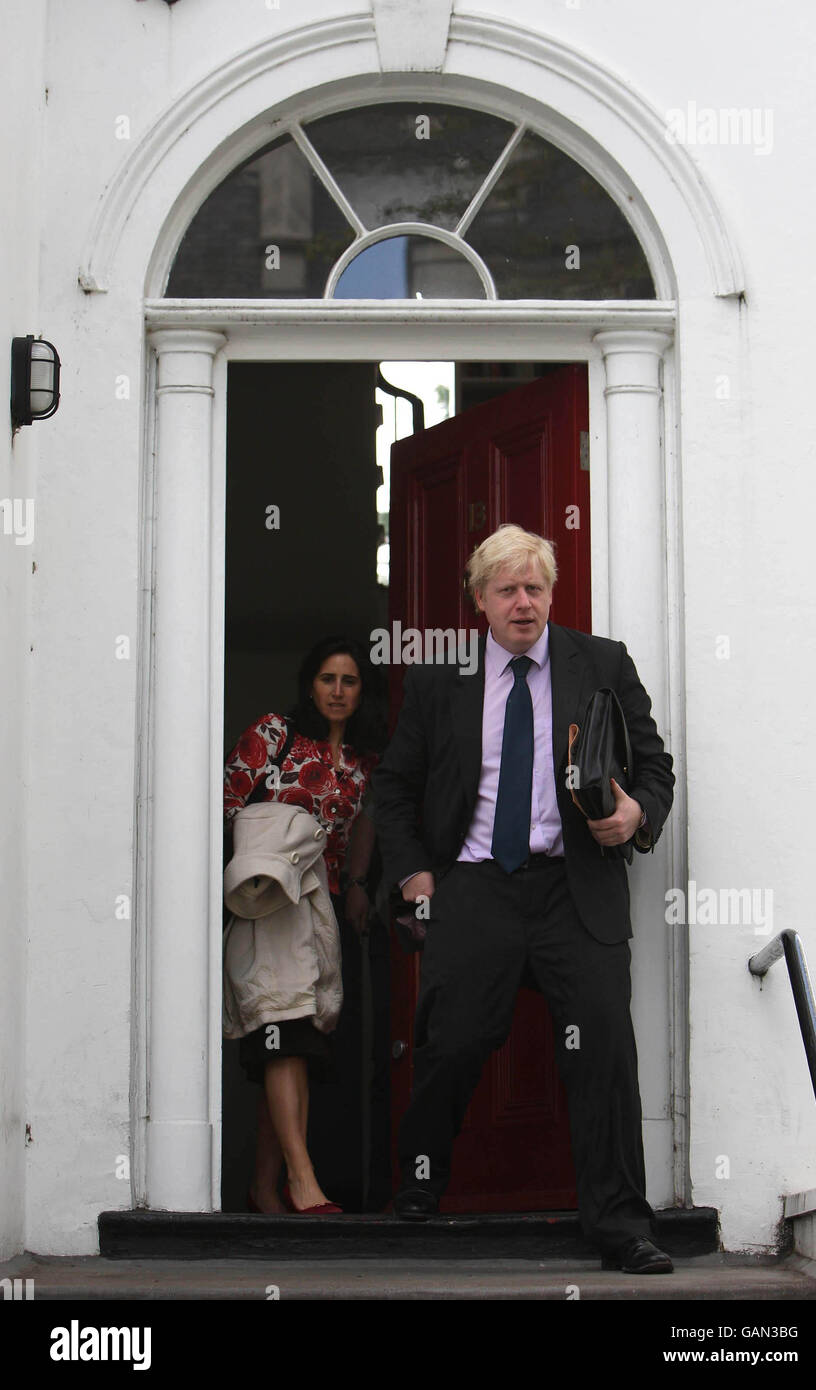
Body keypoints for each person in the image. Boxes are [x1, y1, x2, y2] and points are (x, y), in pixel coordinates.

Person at [371, 524, 676, 1273]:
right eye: (506, 589)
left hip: (575, 885)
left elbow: (656, 767)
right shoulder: (441, 681)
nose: (523, 602)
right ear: (480, 599)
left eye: (535, 587)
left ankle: (619, 1226)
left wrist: (636, 814)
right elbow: (396, 787)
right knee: (454, 1040)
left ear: (551, 593)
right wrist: (414, 876)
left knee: (602, 1046)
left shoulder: (600, 663)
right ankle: (419, 1183)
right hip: (475, 886)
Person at [223, 635, 381, 1214]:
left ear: (363, 692)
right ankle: (303, 1181)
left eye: (350, 681)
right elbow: (223, 804)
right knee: (282, 1030)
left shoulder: (367, 760)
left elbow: (365, 828)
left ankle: (267, 1189)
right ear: (309, 685)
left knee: (298, 1038)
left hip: (328, 910)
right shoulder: (274, 733)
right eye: (327, 679)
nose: (337, 691)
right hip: (272, 904)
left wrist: (360, 886)